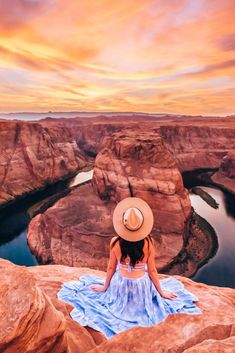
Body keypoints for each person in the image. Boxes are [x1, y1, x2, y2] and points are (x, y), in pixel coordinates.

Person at [57, 197, 201, 339]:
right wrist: (161, 292)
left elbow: (111, 268)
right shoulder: (148, 243)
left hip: (120, 285)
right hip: (141, 287)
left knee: (95, 301)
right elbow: (151, 271)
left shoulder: (115, 242)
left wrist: (105, 287)